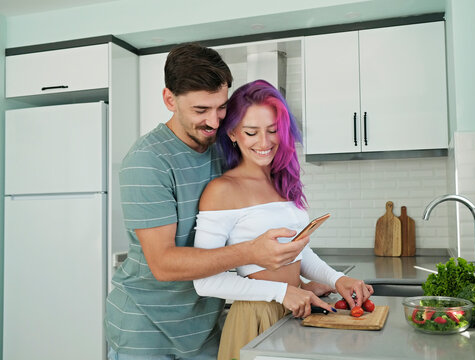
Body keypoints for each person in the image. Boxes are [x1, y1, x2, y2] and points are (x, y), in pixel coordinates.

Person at [104, 43, 313, 360]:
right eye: (201, 110)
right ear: (169, 100)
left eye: (221, 107)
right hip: (146, 328)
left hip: (205, 325)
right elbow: (163, 263)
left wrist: (301, 282)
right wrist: (251, 251)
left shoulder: (223, 150)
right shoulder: (148, 161)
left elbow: (247, 225)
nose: (215, 122)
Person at [193, 80, 374, 360]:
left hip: (294, 307)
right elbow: (204, 282)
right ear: (232, 133)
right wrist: (281, 292)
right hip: (257, 314)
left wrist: (337, 279)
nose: (264, 143)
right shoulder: (222, 191)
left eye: (273, 130)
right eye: (251, 132)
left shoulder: (282, 182)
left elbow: (297, 249)